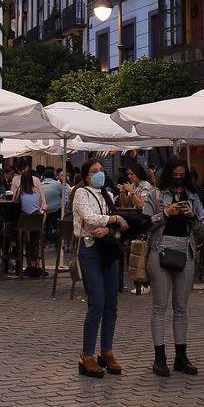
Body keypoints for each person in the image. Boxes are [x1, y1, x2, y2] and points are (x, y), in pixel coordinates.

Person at [145, 160, 204, 377]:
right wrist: (167, 213)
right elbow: (146, 222)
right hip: (160, 249)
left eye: (182, 174)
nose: (178, 178)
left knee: (181, 307)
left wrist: (193, 216)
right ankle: (159, 357)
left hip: (185, 251)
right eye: (175, 174)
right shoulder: (156, 195)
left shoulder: (193, 196)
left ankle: (181, 355)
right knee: (159, 306)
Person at [74, 160, 128, 377]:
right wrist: (113, 219)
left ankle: (106, 351)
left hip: (108, 249)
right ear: (86, 176)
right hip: (89, 250)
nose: (99, 174)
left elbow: (115, 228)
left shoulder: (108, 195)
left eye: (101, 170)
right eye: (94, 171)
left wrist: (109, 228)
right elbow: (89, 218)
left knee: (111, 304)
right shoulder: (81, 194)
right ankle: (86, 355)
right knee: (97, 302)